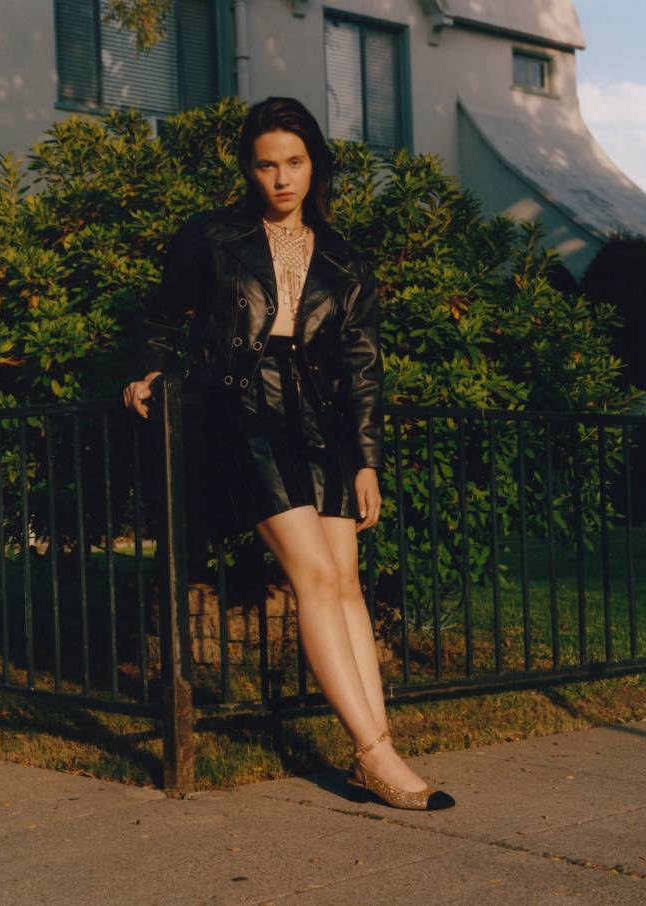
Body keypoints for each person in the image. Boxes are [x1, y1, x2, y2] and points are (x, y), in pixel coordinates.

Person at [121, 96, 454, 811]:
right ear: (249, 168)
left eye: (294, 163)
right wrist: (149, 370)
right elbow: (160, 311)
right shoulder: (213, 237)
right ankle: (375, 754)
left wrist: (366, 459)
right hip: (241, 411)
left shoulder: (344, 259)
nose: (281, 179)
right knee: (314, 575)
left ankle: (376, 748)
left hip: (322, 420)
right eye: (267, 164)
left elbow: (363, 367)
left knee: (347, 582)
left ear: (314, 166)